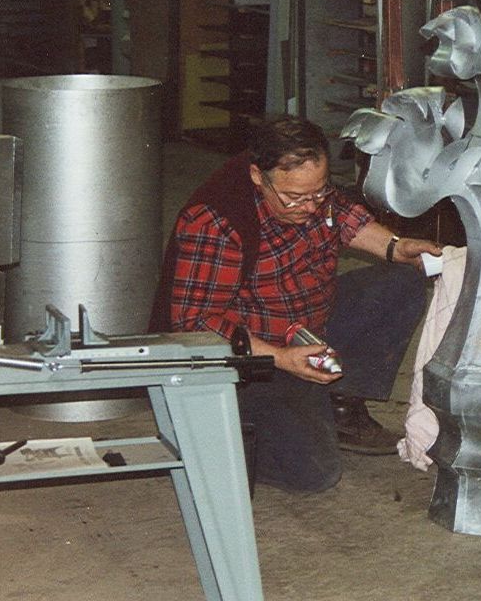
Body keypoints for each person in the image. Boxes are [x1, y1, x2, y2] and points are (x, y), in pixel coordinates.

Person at [150, 115, 441, 492]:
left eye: (318, 193)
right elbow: (193, 322)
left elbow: (346, 218)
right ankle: (229, 430)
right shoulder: (218, 222)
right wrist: (281, 358)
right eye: (295, 198)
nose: (310, 207)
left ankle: (340, 404)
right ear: (258, 176)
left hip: (307, 327)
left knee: (402, 278)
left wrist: (395, 247)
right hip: (253, 357)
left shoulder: (308, 189)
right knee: (313, 474)